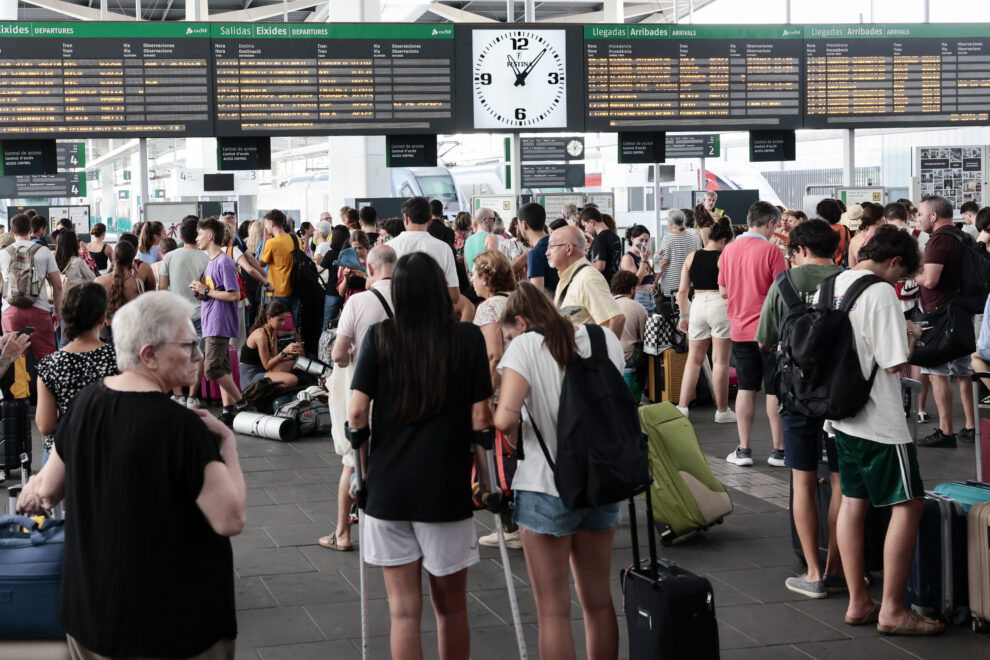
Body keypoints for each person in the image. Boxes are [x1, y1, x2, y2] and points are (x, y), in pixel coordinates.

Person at [16, 291, 246, 659]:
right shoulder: (183, 428)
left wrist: (29, 492)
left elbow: (48, 488)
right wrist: (229, 446)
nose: (199, 355)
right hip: (175, 627)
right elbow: (230, 518)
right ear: (149, 354)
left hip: (92, 616)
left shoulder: (84, 404)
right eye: (188, 346)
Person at [348, 252, 493, 660]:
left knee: (404, 613)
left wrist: (362, 477)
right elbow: (481, 417)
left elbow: (357, 412)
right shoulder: (467, 339)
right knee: (450, 608)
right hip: (444, 490)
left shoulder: (380, 337)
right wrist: (487, 483)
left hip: (388, 490)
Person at [812, 225, 943, 636]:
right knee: (908, 503)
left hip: (839, 415)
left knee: (853, 501)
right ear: (896, 261)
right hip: (880, 420)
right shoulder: (881, 291)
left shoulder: (830, 284)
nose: (900, 283)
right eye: (902, 275)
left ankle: (858, 601)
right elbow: (893, 362)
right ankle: (892, 609)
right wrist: (910, 334)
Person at [493, 282, 624, 660]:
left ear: (520, 320)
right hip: (601, 481)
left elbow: (505, 420)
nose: (507, 341)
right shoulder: (602, 339)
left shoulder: (524, 347)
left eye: (508, 334)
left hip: (544, 487)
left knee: (553, 610)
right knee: (598, 602)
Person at [755, 220, 846, 598]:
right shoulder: (852, 280)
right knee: (844, 483)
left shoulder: (784, 283)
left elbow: (764, 340)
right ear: (836, 250)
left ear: (800, 250)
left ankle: (812, 573)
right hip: (845, 395)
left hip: (798, 396)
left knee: (803, 482)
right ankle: (840, 565)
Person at [322, 245, 396, 553]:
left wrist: (353, 354)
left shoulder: (359, 301)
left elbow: (338, 354)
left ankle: (342, 533)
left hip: (362, 392)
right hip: (399, 393)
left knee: (352, 462)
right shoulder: (413, 299)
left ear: (371, 269)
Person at [719, 201, 788, 467]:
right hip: (769, 332)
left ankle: (744, 450)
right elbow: (782, 292)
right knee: (773, 389)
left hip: (739, 330)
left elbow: (724, 291)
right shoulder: (772, 251)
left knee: (746, 387)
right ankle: (778, 451)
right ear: (770, 223)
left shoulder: (728, 251)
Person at [914, 195, 976, 447]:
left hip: (939, 314)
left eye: (920, 214)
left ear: (933, 216)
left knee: (936, 373)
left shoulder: (938, 240)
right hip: (960, 311)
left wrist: (909, 275)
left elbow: (930, 280)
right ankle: (971, 426)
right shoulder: (962, 236)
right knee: (963, 372)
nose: (917, 219)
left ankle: (946, 431)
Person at [36, 283, 120, 463]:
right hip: (108, 450)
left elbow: (45, 425)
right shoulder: (119, 359)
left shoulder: (50, 364)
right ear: (102, 318)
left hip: (64, 454)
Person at [675, 217, 736, 423]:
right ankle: (722, 410)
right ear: (725, 240)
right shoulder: (724, 257)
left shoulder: (692, 257)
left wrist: (683, 315)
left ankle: (682, 407)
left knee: (694, 359)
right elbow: (728, 288)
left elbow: (682, 291)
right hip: (720, 304)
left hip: (697, 304)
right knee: (720, 361)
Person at [190, 217, 249, 425]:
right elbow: (213, 291)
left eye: (199, 234)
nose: (196, 238)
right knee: (223, 368)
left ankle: (241, 402)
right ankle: (227, 409)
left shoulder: (224, 261)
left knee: (212, 368)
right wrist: (201, 291)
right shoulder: (211, 262)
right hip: (210, 319)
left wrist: (206, 291)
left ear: (210, 236)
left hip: (219, 321)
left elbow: (234, 294)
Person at [388, 197, 470, 321]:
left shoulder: (389, 247)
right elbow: (454, 297)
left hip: (399, 320)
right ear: (430, 219)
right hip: (435, 321)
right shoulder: (444, 248)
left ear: (405, 218)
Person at [159, 217, 210, 408]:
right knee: (198, 355)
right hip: (201, 313)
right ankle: (192, 396)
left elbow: (163, 288)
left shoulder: (170, 256)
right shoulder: (206, 257)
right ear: (198, 235)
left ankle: (178, 395)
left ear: (180, 236)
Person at [0, 213, 62, 359]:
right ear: (30, 230)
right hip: (39, 309)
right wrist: (57, 312)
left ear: (12, 232)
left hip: (10, 311)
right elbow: (58, 285)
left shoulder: (2, 254)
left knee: (13, 359)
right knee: (46, 358)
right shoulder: (44, 251)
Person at [549, 225, 625, 338]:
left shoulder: (588, 278)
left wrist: (606, 354)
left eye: (551, 247)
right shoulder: (568, 277)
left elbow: (617, 319)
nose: (547, 252)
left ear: (569, 249)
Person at [239, 301, 305, 390]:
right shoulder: (260, 335)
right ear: (269, 318)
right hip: (250, 375)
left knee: (296, 364)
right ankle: (256, 391)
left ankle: (267, 386)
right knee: (292, 380)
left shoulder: (272, 332)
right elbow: (267, 365)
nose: (284, 323)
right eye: (280, 320)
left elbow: (274, 357)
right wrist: (285, 351)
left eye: (285, 319)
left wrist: (291, 354)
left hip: (262, 369)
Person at [96, 241, 144, 342]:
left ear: (114, 257)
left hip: (104, 334)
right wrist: (135, 275)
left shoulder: (99, 281)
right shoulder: (137, 284)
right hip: (129, 335)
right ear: (132, 259)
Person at [611, 269, 648, 402]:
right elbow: (644, 337)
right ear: (632, 290)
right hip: (628, 357)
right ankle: (642, 392)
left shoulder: (605, 304)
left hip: (608, 355)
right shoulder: (638, 307)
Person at [260, 209, 298, 323]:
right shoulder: (296, 239)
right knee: (292, 325)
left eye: (266, 224)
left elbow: (260, 262)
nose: (265, 227)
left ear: (272, 223)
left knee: (277, 326)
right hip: (295, 289)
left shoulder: (272, 243)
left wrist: (266, 240)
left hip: (278, 291)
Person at [657, 208, 699, 302]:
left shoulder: (668, 238)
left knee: (673, 314)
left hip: (673, 287)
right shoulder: (693, 237)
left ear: (670, 223)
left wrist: (655, 281)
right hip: (689, 285)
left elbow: (664, 262)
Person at [520, 202, 557, 297]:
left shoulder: (535, 253)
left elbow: (536, 294)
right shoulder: (557, 243)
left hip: (550, 308)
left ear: (524, 225)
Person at [319, 225, 352, 328]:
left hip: (332, 292)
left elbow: (319, 270)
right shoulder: (351, 254)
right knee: (346, 324)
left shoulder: (330, 254)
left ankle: (324, 343)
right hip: (347, 292)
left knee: (327, 323)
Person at [583, 206, 623, 286]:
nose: (585, 230)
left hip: (603, 284)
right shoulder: (615, 236)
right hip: (614, 282)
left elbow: (599, 266)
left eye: (585, 226)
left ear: (591, 222)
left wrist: (583, 262)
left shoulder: (600, 238)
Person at [620, 225, 656, 313]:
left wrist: (658, 263)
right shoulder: (628, 258)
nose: (644, 244)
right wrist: (644, 260)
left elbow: (651, 278)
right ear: (632, 239)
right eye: (641, 240)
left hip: (650, 296)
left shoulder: (642, 255)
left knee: (651, 325)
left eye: (646, 241)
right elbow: (636, 281)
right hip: (638, 297)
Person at [337, 231, 370, 302]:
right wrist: (346, 278)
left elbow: (379, 287)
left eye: (360, 248)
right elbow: (341, 293)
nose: (357, 251)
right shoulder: (347, 263)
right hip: (351, 303)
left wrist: (364, 275)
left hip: (368, 302)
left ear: (366, 246)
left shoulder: (373, 262)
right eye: (354, 248)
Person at [817, 199, 852, 266]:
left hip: (825, 268)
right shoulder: (845, 230)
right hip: (842, 268)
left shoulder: (820, 231)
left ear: (821, 215)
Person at [464, 207, 500, 273]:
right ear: (486, 220)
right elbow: (492, 265)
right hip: (487, 281)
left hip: (473, 281)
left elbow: (467, 270)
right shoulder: (491, 238)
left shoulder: (468, 241)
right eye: (494, 219)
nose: (494, 222)